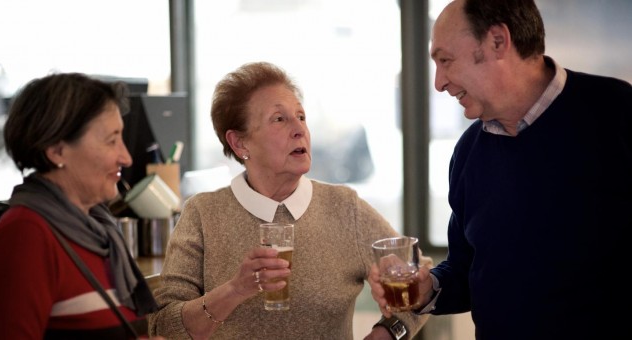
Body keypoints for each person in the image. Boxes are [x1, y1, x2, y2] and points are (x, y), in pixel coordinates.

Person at [368, 0, 632, 339]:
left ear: (497, 41)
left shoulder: (616, 112)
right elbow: (467, 269)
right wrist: (426, 289)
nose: (438, 82)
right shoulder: (467, 153)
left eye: (445, 60)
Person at [147, 61, 430, 339]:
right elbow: (163, 326)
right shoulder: (203, 214)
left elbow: (422, 280)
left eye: (301, 117)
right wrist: (234, 290)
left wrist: (388, 333)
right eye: (279, 119)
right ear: (239, 143)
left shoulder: (345, 207)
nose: (300, 130)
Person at [0, 73, 160, 339]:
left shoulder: (100, 232)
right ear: (57, 151)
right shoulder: (26, 235)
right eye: (111, 140)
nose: (127, 157)